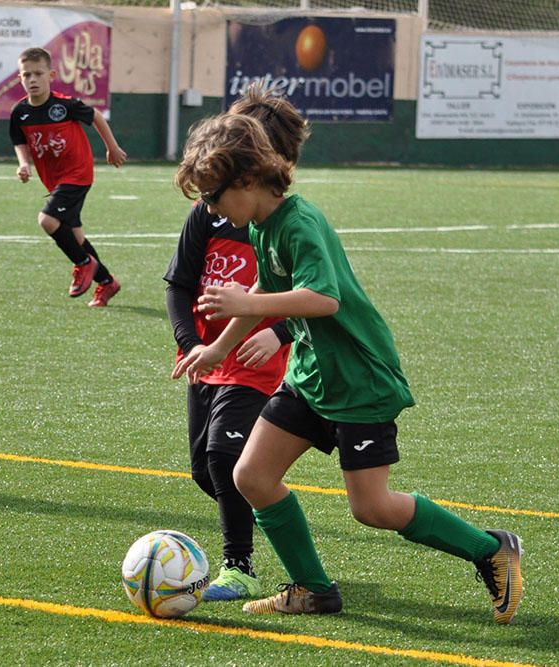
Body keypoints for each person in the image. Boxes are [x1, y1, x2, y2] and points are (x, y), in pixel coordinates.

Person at [172, 113, 524, 623]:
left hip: (359, 380)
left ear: (247, 180)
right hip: (315, 375)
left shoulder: (299, 223)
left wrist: (245, 310)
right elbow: (264, 292)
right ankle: (313, 590)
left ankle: (489, 549)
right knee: (252, 474)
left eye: (211, 196)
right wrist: (220, 349)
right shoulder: (264, 226)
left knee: (372, 508)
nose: (210, 209)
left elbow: (324, 299)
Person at [163, 86, 309, 601]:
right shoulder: (208, 212)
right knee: (206, 468)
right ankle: (282, 525)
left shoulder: (287, 222)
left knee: (226, 458)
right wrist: (188, 344)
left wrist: (277, 332)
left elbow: (313, 295)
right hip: (208, 356)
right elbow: (179, 284)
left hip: (256, 359)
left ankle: (239, 566)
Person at [9, 47, 127, 307]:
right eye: (26, 74)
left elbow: (95, 115)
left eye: (38, 73)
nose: (32, 79)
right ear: (20, 78)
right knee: (75, 236)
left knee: (47, 220)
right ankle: (107, 283)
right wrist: (23, 164)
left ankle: (83, 263)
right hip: (54, 181)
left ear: (51, 75)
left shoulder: (64, 105)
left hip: (77, 174)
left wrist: (112, 147)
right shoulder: (19, 112)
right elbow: (20, 141)